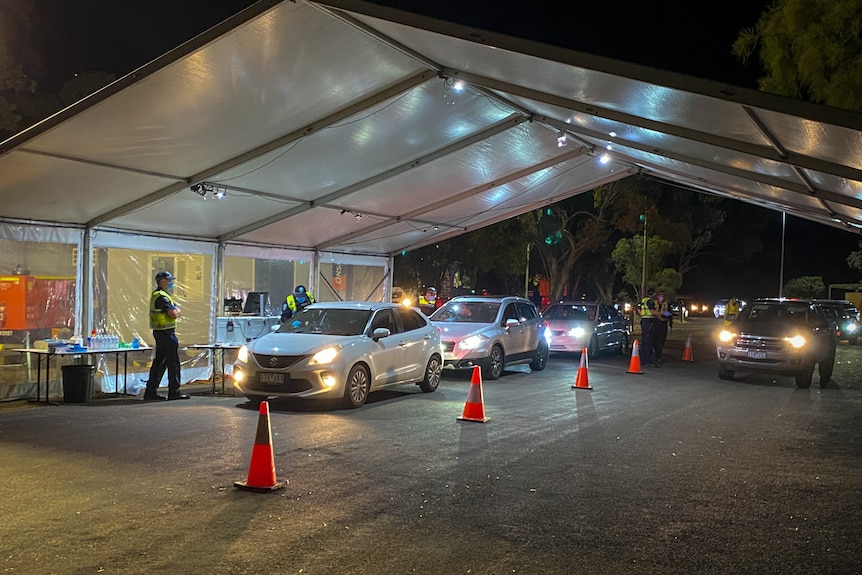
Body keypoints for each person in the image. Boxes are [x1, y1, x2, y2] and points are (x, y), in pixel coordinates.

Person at [143, 271, 188, 401]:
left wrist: (176, 309)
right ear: (162, 281)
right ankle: (174, 392)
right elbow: (173, 313)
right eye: (168, 281)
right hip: (166, 334)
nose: (170, 283)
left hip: (161, 332)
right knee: (172, 363)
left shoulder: (159, 295)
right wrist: (178, 310)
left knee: (159, 363)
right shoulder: (162, 296)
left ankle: (150, 391)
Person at [638, 288, 659, 367]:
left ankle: (643, 359)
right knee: (649, 341)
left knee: (644, 340)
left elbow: (638, 309)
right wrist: (661, 313)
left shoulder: (643, 300)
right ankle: (649, 360)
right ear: (653, 294)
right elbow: (652, 311)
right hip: (649, 321)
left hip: (644, 320)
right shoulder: (650, 301)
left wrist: (642, 315)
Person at [653, 291, 673, 365]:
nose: (661, 297)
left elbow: (670, 315)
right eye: (660, 296)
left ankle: (658, 357)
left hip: (663, 324)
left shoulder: (667, 304)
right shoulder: (653, 303)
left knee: (661, 341)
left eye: (662, 296)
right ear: (657, 296)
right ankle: (655, 354)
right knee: (654, 341)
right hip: (655, 323)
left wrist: (670, 325)